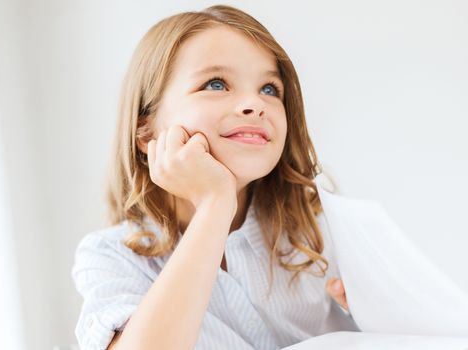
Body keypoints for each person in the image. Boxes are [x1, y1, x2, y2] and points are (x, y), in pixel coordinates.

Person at [72, 5, 358, 350]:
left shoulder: (320, 233)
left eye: (269, 89)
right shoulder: (110, 257)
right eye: (217, 84)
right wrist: (214, 204)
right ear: (147, 132)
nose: (254, 104)